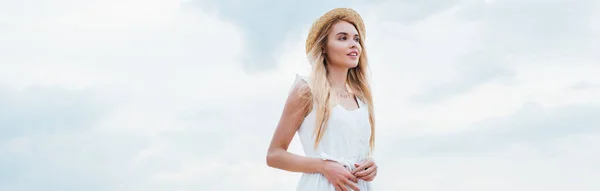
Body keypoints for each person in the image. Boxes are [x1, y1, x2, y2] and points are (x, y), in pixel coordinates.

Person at [266, 8, 377, 191]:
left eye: (356, 39)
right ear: (324, 47)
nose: (353, 44)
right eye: (343, 38)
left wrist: (370, 164)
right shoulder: (307, 89)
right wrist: (323, 166)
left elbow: (353, 148)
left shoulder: (361, 99)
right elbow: (274, 155)